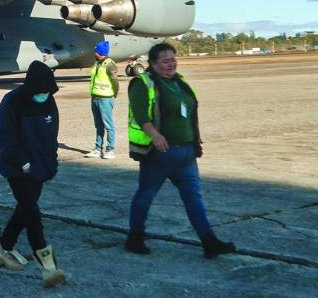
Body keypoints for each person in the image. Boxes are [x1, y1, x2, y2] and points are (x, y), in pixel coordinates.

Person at [125, 43, 236, 259]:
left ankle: (209, 241)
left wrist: (194, 144)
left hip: (186, 153)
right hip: (159, 154)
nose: (171, 63)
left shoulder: (179, 82)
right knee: (145, 195)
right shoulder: (142, 84)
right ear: (153, 64)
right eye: (165, 61)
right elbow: (140, 114)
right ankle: (135, 237)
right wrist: (155, 136)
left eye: (173, 59)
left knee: (193, 197)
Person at [0, 61, 65, 287]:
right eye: (41, 91)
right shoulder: (12, 102)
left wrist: (51, 161)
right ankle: (47, 266)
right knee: (32, 211)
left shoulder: (48, 101)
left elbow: (52, 134)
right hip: (17, 168)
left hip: (41, 168)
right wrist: (23, 163)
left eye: (48, 92)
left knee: (24, 210)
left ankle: (4, 246)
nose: (44, 95)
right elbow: (6, 137)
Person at [85, 41, 119, 159]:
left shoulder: (110, 65)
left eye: (96, 51)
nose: (94, 52)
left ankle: (110, 150)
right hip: (95, 97)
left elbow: (115, 82)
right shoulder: (97, 63)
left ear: (100, 52)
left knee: (109, 125)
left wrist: (114, 95)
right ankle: (97, 149)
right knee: (98, 125)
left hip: (105, 99)